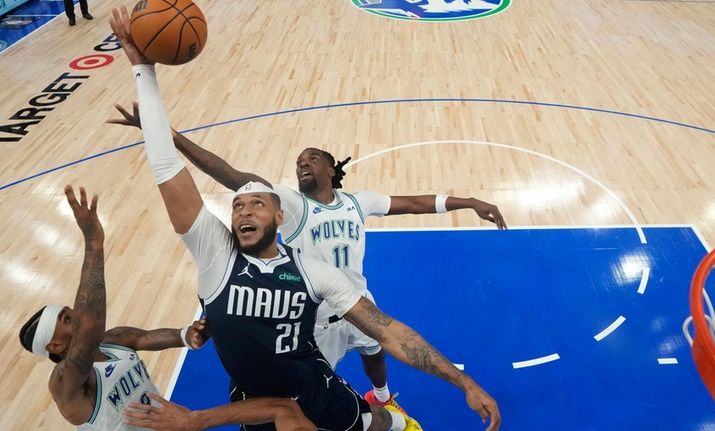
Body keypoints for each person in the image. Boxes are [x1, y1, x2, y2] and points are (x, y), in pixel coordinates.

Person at [109, 5, 500, 431]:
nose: (244, 208)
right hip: (264, 399)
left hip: (321, 379)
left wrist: (463, 382)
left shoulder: (315, 269)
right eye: (237, 206)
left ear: (278, 213)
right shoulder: (215, 255)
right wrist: (143, 70)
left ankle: (393, 417)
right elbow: (167, 168)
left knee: (379, 415)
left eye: (257, 203)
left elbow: (391, 331)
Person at [18, 185, 315, 431]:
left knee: (285, 410)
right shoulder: (64, 384)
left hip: (172, 424)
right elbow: (89, 326)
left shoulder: (111, 340)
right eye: (68, 319)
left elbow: (144, 338)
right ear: (55, 344)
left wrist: (188, 334)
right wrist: (94, 243)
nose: (76, 314)